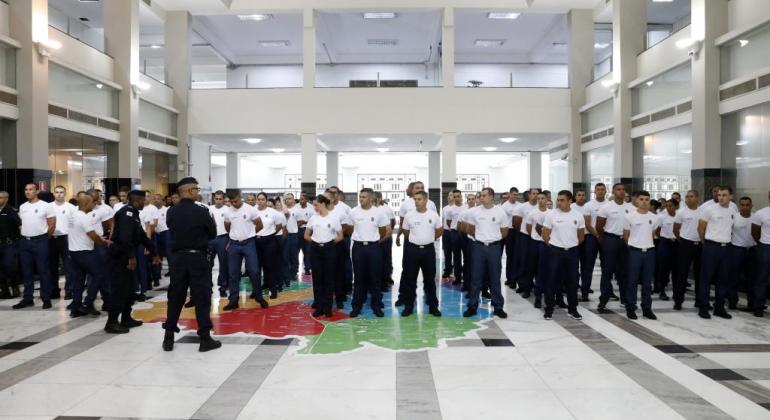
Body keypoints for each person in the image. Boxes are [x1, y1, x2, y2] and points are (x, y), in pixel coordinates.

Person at [162, 177, 221, 353]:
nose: (198, 192)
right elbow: (212, 233)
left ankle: (168, 338)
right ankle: (204, 338)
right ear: (189, 191)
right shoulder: (201, 211)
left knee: (175, 297)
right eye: (196, 189)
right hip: (198, 259)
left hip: (178, 259)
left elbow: (172, 231)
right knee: (201, 297)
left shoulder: (171, 211)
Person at [106, 190, 157, 333]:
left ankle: (126, 318)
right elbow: (124, 239)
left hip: (126, 255)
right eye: (142, 200)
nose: (144, 203)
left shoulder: (133, 214)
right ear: (136, 200)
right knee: (119, 290)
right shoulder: (127, 214)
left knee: (129, 289)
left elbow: (141, 235)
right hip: (120, 257)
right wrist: (131, 257)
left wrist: (154, 252)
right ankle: (111, 322)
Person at [463, 187, 508, 319]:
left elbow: (505, 231)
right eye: (480, 195)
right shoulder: (475, 212)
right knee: (476, 278)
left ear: (491, 197)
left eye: (484, 195)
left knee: (495, 278)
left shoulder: (500, 212)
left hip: (494, 248)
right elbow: (470, 229)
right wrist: (481, 238)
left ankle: (498, 307)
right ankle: (472, 306)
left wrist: (493, 239)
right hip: (478, 247)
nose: (481, 197)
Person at [541, 190, 585, 321]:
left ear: (570, 201)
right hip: (555, 251)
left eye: (562, 200)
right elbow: (545, 234)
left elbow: (581, 236)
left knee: (572, 281)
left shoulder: (578, 215)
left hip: (572, 252)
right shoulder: (551, 215)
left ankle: (573, 309)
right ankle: (549, 308)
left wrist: (571, 245)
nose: (559, 202)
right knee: (552, 280)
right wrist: (554, 246)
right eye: (558, 200)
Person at [346, 188, 389, 317]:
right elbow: (349, 230)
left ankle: (376, 306)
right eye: (360, 196)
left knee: (375, 277)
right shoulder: (353, 212)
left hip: (374, 247)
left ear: (371, 198)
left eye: (364, 197)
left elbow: (383, 231)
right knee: (359, 278)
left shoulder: (378, 213)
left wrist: (374, 240)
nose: (361, 199)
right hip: (358, 248)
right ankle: (356, 306)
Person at [67, 193, 111, 317]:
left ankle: (76, 307)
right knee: (99, 274)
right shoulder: (83, 217)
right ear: (86, 204)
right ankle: (87, 303)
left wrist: (99, 239)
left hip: (73, 252)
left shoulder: (72, 215)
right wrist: (103, 241)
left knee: (78, 279)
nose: (94, 204)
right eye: (92, 202)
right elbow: (92, 235)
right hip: (84, 252)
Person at [222, 190, 267, 311]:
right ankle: (233, 300)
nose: (233, 204)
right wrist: (233, 235)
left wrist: (250, 234)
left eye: (235, 201)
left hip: (249, 243)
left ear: (240, 197)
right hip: (234, 244)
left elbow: (260, 224)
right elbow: (227, 226)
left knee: (254, 271)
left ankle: (259, 297)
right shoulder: (228, 211)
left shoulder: (250, 209)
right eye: (231, 202)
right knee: (233, 274)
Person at [13, 184, 56, 310]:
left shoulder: (45, 206)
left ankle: (46, 298)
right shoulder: (23, 206)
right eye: (26, 189)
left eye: (30, 189)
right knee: (27, 272)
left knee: (43, 271)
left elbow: (52, 225)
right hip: (25, 242)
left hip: (41, 241)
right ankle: (28, 299)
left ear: (36, 191)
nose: (27, 192)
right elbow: (21, 224)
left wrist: (42, 238)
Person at [400, 190, 443, 317]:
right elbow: (406, 232)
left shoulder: (433, 215)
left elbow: (440, 231)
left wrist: (428, 238)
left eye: (419, 199)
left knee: (430, 280)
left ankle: (433, 306)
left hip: (428, 250)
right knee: (410, 279)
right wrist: (417, 240)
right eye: (415, 199)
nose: (416, 201)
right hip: (412, 250)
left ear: (425, 200)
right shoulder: (409, 215)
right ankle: (408, 306)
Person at [697, 186, 736, 319]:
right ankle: (703, 307)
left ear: (731, 196)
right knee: (706, 278)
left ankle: (719, 307)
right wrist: (705, 243)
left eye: (724, 195)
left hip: (727, 248)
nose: (721, 197)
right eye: (719, 195)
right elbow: (701, 228)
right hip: (711, 247)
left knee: (723, 279)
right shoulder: (709, 209)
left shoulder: (733, 209)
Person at [596, 183, 633, 313]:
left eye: (623, 189)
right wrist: (604, 239)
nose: (621, 192)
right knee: (607, 271)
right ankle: (603, 300)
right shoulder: (606, 207)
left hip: (625, 241)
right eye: (618, 189)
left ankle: (625, 299)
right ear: (613, 191)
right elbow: (599, 226)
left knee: (624, 272)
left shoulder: (630, 207)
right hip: (610, 239)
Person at [622, 191, 659, 320]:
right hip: (634, 252)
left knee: (647, 283)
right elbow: (626, 236)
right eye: (641, 199)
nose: (644, 202)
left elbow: (653, 233)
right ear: (636, 201)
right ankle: (630, 307)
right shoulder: (629, 217)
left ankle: (647, 308)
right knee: (632, 281)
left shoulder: (654, 218)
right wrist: (634, 247)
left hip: (649, 252)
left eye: (647, 199)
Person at [304, 194, 343, 317]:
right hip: (315, 250)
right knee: (317, 279)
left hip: (329, 250)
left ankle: (327, 307)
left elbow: (340, 236)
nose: (314, 207)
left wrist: (329, 243)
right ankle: (319, 306)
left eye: (316, 205)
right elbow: (306, 235)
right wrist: (316, 242)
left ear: (323, 204)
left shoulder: (333, 218)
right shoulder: (313, 218)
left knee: (329, 279)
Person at [673, 190, 702, 310]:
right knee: (682, 273)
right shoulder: (681, 212)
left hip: (700, 245)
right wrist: (683, 240)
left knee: (700, 274)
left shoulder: (703, 212)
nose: (688, 199)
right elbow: (676, 229)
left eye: (691, 196)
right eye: (687, 197)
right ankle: (678, 300)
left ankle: (700, 300)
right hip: (685, 244)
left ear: (697, 198)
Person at [580, 183, 607, 301]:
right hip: (591, 237)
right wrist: (596, 235)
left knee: (607, 266)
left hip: (606, 237)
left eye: (602, 189)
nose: (600, 191)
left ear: (606, 191)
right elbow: (587, 223)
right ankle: (585, 291)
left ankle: (607, 292)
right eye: (598, 190)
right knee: (587, 266)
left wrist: (602, 236)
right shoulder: (588, 205)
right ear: (594, 191)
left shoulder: (609, 205)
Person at [254, 192, 284, 298]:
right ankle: (256, 291)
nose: (261, 201)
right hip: (255, 241)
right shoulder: (253, 211)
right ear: (257, 200)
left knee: (270, 267)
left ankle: (273, 290)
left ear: (266, 201)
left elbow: (279, 225)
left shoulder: (273, 212)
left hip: (269, 241)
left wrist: (271, 234)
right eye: (259, 199)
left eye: (263, 199)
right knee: (256, 268)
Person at [49, 185, 76, 300]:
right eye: (57, 192)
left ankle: (69, 290)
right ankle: (54, 290)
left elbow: (74, 224)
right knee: (52, 266)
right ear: (54, 193)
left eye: (61, 192)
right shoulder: (48, 207)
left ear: (65, 194)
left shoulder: (71, 207)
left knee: (68, 267)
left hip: (66, 239)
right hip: (51, 239)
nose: (59, 194)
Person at [525, 192, 551, 307]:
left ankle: (542, 293)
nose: (540, 200)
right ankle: (528, 289)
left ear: (547, 200)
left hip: (546, 244)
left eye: (542, 198)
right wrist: (534, 236)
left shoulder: (551, 213)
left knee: (544, 269)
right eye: (538, 198)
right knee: (531, 267)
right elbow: (528, 227)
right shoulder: (532, 213)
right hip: (534, 243)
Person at [511, 188, 539, 293]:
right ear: (529, 195)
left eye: (537, 194)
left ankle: (535, 283)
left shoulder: (541, 207)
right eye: (533, 194)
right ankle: (522, 284)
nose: (535, 196)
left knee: (536, 262)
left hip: (537, 238)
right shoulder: (522, 207)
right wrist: (525, 233)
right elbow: (516, 223)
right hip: (525, 237)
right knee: (523, 261)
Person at [730, 197, 756, 311]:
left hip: (752, 251)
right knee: (734, 278)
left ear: (751, 206)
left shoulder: (756, 217)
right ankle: (732, 302)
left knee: (752, 279)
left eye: (747, 205)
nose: (745, 207)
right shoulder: (734, 218)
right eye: (742, 205)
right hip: (737, 251)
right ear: (739, 206)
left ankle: (752, 304)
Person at [751, 190, 770, 317]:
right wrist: (762, 243)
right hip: (765, 247)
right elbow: (755, 232)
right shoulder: (761, 213)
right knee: (761, 278)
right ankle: (758, 306)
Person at [208, 191, 229, 298]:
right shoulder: (209, 209)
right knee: (208, 264)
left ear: (223, 199)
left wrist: (229, 241)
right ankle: (208, 286)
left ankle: (223, 287)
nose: (218, 201)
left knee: (223, 264)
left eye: (220, 199)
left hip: (223, 238)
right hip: (211, 239)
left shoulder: (228, 210)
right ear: (214, 199)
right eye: (216, 198)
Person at [655, 199, 677, 301]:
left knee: (677, 269)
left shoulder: (679, 216)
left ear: (676, 206)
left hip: (677, 244)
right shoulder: (661, 217)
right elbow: (657, 231)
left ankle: (677, 292)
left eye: (671, 206)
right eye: (667, 206)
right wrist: (664, 239)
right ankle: (662, 290)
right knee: (664, 269)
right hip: (665, 243)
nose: (668, 208)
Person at [0, 191, 21, 299]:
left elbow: (19, 226)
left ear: (6, 199)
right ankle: (4, 289)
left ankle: (14, 285)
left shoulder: (12, 211)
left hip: (9, 243)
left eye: (0, 198)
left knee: (9, 266)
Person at [501, 187, 520, 289]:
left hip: (517, 231)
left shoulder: (519, 205)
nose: (515, 197)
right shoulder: (504, 206)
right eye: (514, 194)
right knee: (510, 256)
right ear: (510, 194)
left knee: (517, 256)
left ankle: (516, 278)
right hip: (509, 231)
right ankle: (509, 278)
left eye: (517, 195)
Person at [296, 192, 315, 277]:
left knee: (307, 251)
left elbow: (313, 221)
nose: (301, 201)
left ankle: (307, 268)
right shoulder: (296, 207)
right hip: (297, 231)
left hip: (307, 230)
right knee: (296, 251)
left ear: (306, 200)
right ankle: (295, 268)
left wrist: (304, 221)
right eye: (300, 199)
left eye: (303, 199)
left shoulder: (311, 209)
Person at [284, 193, 302, 282]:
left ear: (293, 199)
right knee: (285, 255)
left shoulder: (297, 210)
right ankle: (286, 274)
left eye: (290, 198)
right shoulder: (282, 209)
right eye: (286, 198)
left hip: (293, 235)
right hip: (284, 236)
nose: (288, 200)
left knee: (294, 255)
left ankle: (294, 273)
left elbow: (299, 222)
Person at [448, 190, 465, 286]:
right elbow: (449, 222)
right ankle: (457, 277)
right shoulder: (451, 209)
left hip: (464, 233)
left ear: (461, 197)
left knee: (466, 256)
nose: (456, 198)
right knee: (456, 256)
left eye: (458, 196)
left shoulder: (466, 208)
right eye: (455, 197)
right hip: (454, 233)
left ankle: (466, 277)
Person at [441, 191, 456, 279]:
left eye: (451, 195)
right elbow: (443, 220)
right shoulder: (444, 208)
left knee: (456, 252)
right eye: (448, 195)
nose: (449, 197)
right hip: (446, 232)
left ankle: (457, 269)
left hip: (454, 232)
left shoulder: (457, 208)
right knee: (447, 252)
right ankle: (448, 269)